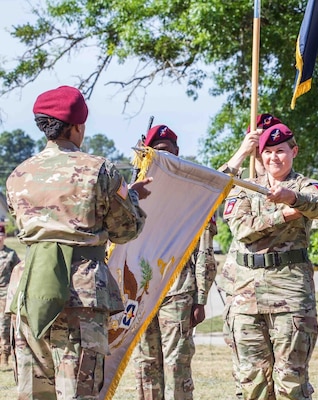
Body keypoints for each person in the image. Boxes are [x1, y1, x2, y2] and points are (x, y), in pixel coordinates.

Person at [5, 85, 151, 399]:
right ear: (78, 126)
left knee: (31, 391)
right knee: (78, 392)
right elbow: (126, 229)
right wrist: (133, 197)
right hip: (80, 290)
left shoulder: (17, 174)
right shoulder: (99, 170)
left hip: (29, 288)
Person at [222, 123, 318, 399]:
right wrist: (284, 214)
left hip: (290, 292)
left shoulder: (306, 186)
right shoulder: (246, 187)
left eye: (280, 151)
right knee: (252, 382)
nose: (274, 158)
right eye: (267, 152)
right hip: (247, 295)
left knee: (291, 382)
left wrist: (293, 198)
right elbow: (242, 230)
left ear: (294, 151)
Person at [133, 124, 217, 400]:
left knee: (176, 365)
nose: (162, 158)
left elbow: (205, 250)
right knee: (145, 365)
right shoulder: (135, 191)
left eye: (167, 152)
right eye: (155, 152)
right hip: (141, 291)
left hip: (177, 292)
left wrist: (201, 298)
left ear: (177, 153)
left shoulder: (192, 194)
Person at [216, 113, 281, 399]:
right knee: (247, 372)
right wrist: (241, 152)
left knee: (285, 372)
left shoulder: (283, 177)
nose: (263, 145)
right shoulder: (239, 178)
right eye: (258, 138)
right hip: (240, 287)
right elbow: (213, 190)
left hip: (281, 285)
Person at [0, 224, 20, 369]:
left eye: (1, 234)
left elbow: (18, 272)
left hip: (5, 294)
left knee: (4, 327)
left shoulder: (11, 254)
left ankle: (4, 356)